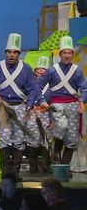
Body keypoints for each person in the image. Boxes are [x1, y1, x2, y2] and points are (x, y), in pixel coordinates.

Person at [0, 33, 39, 179]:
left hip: (20, 106)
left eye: (15, 52)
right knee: (4, 138)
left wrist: (30, 104)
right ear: (5, 53)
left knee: (19, 139)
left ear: (19, 54)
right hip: (2, 106)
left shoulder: (26, 69)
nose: (12, 55)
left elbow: (33, 88)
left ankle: (16, 171)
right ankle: (5, 171)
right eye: (9, 52)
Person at [39, 36, 87, 164]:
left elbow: (84, 87)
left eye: (69, 52)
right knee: (61, 126)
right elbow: (38, 86)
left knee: (72, 138)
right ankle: (56, 152)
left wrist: (82, 100)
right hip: (57, 103)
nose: (67, 55)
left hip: (72, 104)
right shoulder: (52, 70)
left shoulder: (77, 70)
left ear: (72, 54)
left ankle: (64, 167)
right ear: (60, 54)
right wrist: (41, 100)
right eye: (64, 52)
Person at [25, 56, 53, 173]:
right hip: (33, 113)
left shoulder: (52, 85)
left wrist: (53, 118)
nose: (41, 71)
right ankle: (33, 164)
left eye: (44, 69)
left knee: (47, 139)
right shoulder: (30, 84)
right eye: (39, 69)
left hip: (47, 114)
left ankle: (45, 164)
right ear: (35, 71)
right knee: (33, 139)